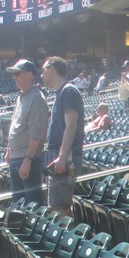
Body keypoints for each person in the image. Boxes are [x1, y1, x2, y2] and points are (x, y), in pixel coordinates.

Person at [42, 56, 84, 219]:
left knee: (59, 208)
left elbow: (71, 125)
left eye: (44, 69)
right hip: (59, 155)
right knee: (59, 206)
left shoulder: (68, 90)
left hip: (64, 156)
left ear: (52, 68)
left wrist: (62, 156)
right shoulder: (61, 92)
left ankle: (67, 243)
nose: (42, 74)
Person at [4, 58, 48, 206]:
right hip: (16, 158)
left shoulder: (37, 99)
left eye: (18, 74)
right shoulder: (21, 97)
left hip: (28, 159)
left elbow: (36, 134)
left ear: (29, 75)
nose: (14, 78)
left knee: (33, 205)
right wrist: (9, 149)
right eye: (13, 75)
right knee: (18, 204)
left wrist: (28, 159)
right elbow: (15, 125)